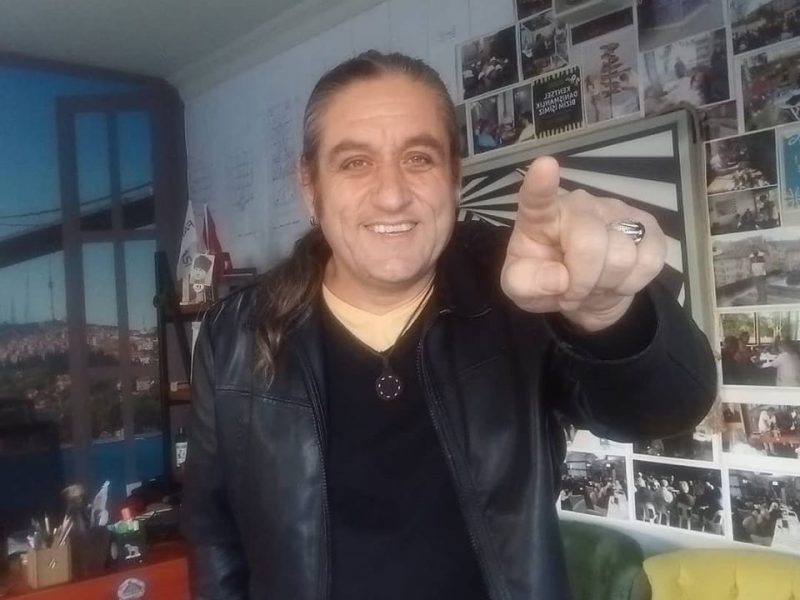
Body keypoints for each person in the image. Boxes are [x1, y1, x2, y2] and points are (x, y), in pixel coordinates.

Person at [182, 51, 716, 600]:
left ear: (454, 178)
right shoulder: (234, 335)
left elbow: (669, 409)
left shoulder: (519, 293)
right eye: (355, 162)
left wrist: (605, 314)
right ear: (309, 186)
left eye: (419, 158)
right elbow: (214, 534)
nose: (392, 195)